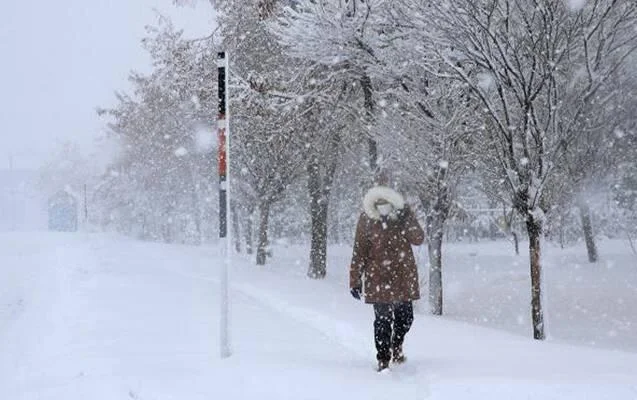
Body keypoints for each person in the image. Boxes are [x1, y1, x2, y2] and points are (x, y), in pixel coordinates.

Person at [349, 185, 425, 372]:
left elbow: (418, 238)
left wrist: (406, 217)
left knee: (406, 318)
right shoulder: (366, 219)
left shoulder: (402, 216)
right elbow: (360, 251)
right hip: (378, 277)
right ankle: (383, 358)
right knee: (382, 321)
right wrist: (355, 280)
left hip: (403, 276)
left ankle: (396, 345)